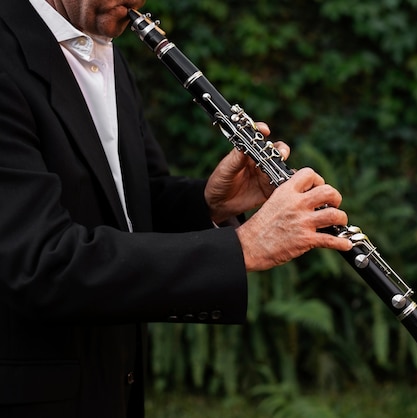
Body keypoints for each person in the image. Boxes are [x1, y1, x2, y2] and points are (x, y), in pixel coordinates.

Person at [0, 0, 352, 416]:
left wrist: (209, 203)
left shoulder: (102, 48)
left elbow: (128, 206)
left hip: (112, 386)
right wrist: (242, 247)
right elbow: (40, 261)